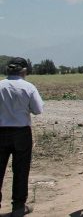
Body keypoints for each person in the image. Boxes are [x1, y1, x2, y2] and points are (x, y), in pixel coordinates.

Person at [0, 57, 44, 217]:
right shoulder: (28, 87)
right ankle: (18, 207)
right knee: (21, 170)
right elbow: (38, 109)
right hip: (21, 132)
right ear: (24, 71)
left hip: (1, 131)